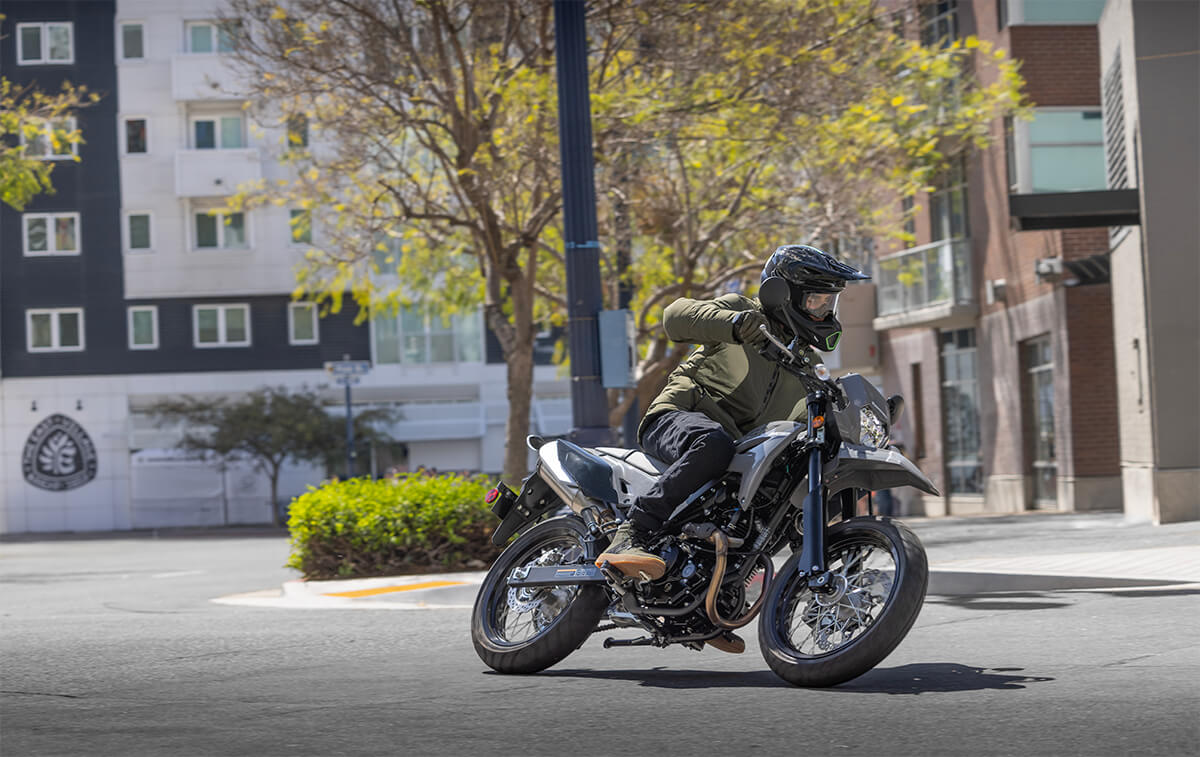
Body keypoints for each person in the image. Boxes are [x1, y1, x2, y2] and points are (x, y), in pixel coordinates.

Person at [594, 244, 870, 653]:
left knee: (785, 497)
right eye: (816, 298)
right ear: (785, 293)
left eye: (829, 301)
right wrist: (735, 324)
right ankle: (630, 533)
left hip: (735, 456)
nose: (824, 310)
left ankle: (720, 595)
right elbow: (675, 317)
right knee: (713, 443)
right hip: (679, 419)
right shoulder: (745, 313)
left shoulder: (806, 365)